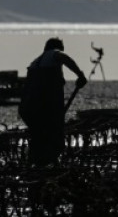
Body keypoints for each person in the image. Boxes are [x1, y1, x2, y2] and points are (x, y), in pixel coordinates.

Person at [21, 37, 88, 166]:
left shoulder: (35, 62)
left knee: (39, 138)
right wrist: (80, 74)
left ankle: (38, 165)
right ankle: (48, 165)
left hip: (28, 109)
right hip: (44, 107)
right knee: (53, 136)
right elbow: (65, 58)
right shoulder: (54, 54)